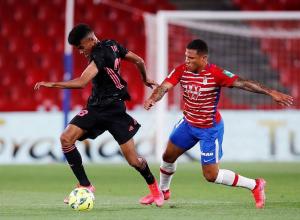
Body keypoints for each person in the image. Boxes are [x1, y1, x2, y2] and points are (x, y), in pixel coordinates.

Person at [140, 39, 294, 208]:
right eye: (186, 56)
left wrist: (271, 92)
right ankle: (163, 191)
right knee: (167, 156)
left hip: (209, 129)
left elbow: (243, 83)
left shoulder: (216, 73)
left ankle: (255, 185)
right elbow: (164, 87)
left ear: (203, 59)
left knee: (211, 176)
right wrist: (152, 99)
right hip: (188, 123)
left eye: (191, 58)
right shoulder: (181, 70)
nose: (187, 61)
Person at [34, 23, 164, 207]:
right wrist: (144, 79)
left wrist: (52, 84)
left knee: (134, 160)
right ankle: (85, 184)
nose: (80, 52)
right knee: (66, 139)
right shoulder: (113, 45)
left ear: (90, 40)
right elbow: (139, 60)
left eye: (80, 47)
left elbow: (81, 82)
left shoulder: (99, 54)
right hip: (97, 107)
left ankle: (155, 191)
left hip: (114, 111)